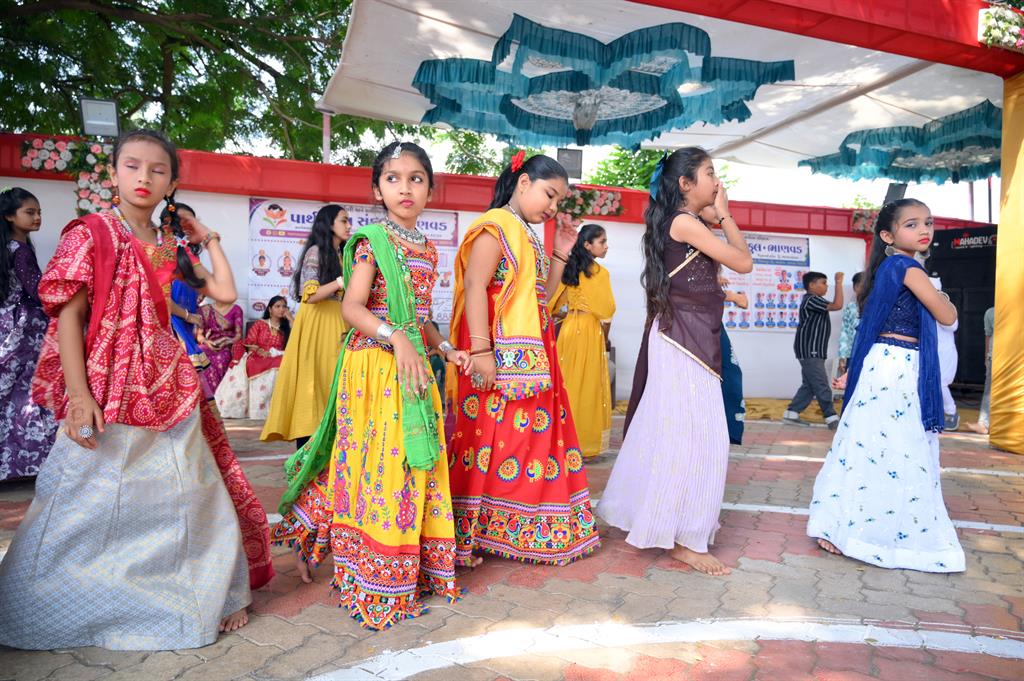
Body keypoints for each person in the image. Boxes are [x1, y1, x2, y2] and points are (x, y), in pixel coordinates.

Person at [0, 129, 252, 651]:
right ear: (113, 174)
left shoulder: (171, 244)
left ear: (171, 183)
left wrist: (207, 237)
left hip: (169, 382)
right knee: (82, 499)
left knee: (191, 492)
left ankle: (195, 595)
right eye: (132, 166)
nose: (144, 177)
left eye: (158, 170)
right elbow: (70, 317)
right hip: (107, 380)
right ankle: (58, 601)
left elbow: (225, 294)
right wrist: (78, 397)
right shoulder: (90, 234)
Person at [271, 142, 469, 630]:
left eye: (416, 178)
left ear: (430, 189)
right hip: (373, 367)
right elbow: (351, 307)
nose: (405, 187)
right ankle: (372, 570)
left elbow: (422, 319)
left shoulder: (428, 249)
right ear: (378, 190)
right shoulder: (371, 242)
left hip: (412, 368)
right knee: (380, 466)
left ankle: (407, 565)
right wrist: (395, 337)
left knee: (411, 463)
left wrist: (447, 350)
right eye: (393, 178)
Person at [598, 147, 752, 576]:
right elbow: (743, 261)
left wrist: (717, 215)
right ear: (685, 184)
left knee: (678, 434)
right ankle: (685, 539)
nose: (717, 182)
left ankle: (674, 525)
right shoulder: (685, 222)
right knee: (700, 438)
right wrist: (725, 215)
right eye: (710, 173)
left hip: (685, 338)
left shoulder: (685, 222)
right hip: (683, 342)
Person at [446, 152, 600, 567]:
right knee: (491, 438)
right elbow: (475, 285)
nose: (553, 207)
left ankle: (521, 525)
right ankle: (477, 529)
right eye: (550, 195)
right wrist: (482, 352)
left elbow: (539, 299)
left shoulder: (526, 233)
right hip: (495, 348)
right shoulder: (496, 226)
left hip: (531, 350)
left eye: (558, 201)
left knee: (528, 437)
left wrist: (562, 251)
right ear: (524, 182)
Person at [808, 199, 964, 572]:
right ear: (888, 235)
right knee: (899, 447)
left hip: (887, 364)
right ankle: (876, 534)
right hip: (898, 368)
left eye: (928, 222)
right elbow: (948, 316)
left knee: (871, 445)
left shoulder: (888, 268)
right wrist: (942, 296)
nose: (924, 229)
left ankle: (846, 528)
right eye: (912, 224)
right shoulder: (907, 268)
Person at [262, 204, 351, 449]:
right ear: (329, 224)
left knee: (334, 384)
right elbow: (309, 294)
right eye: (344, 220)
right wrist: (340, 282)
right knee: (313, 384)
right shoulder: (316, 251)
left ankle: (333, 454)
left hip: (339, 322)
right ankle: (307, 455)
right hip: (317, 325)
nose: (348, 226)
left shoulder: (343, 254)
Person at [0, 187, 58, 481]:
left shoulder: (9, 248)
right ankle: (35, 461)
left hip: (8, 325)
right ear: (10, 216)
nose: (37, 218)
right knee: (33, 390)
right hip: (26, 330)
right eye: (30, 212)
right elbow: (38, 291)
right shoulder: (21, 250)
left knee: (14, 393)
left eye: (39, 212)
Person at [548, 223, 616, 459]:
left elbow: (551, 304)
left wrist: (567, 312)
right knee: (588, 387)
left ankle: (560, 441)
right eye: (602, 241)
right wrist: (604, 338)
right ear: (587, 245)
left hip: (569, 330)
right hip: (589, 331)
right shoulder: (600, 273)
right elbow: (607, 310)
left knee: (567, 385)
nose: (606, 246)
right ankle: (583, 445)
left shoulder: (569, 268)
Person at [783, 271, 844, 429]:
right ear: (811, 285)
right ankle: (831, 418)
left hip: (812, 349)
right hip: (810, 350)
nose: (826, 286)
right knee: (821, 383)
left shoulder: (814, 300)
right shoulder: (812, 299)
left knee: (810, 384)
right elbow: (837, 305)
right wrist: (838, 283)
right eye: (823, 283)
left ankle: (791, 413)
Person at [216, 295, 290, 419]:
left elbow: (297, 339)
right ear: (270, 309)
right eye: (277, 306)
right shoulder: (260, 324)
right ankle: (258, 409)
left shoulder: (287, 328)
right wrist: (260, 351)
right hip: (258, 353)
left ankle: (276, 410)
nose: (281, 309)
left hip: (278, 354)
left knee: (283, 362)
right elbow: (250, 342)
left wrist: (290, 318)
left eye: (284, 306)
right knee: (254, 363)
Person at [929, 276, 959, 430]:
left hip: (945, 353)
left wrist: (939, 308)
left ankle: (951, 413)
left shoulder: (946, 306)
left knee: (940, 383)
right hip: (931, 352)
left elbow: (952, 326)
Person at [199, 295, 244, 392]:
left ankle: (220, 393)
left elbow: (239, 335)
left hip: (228, 344)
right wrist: (206, 342)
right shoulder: (205, 309)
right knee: (200, 353)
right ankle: (207, 394)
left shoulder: (236, 309)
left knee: (222, 358)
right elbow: (199, 335)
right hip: (210, 343)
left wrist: (228, 341)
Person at [967, 306, 996, 435]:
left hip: (1015, 359)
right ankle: (983, 424)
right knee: (989, 391)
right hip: (994, 357)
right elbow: (988, 336)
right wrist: (987, 357)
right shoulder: (990, 312)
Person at [836, 272, 864, 376]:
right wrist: (842, 356)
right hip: (851, 355)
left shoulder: (877, 307)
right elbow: (845, 332)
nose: (864, 289)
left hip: (871, 354)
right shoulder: (851, 307)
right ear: (855, 287)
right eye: (860, 286)